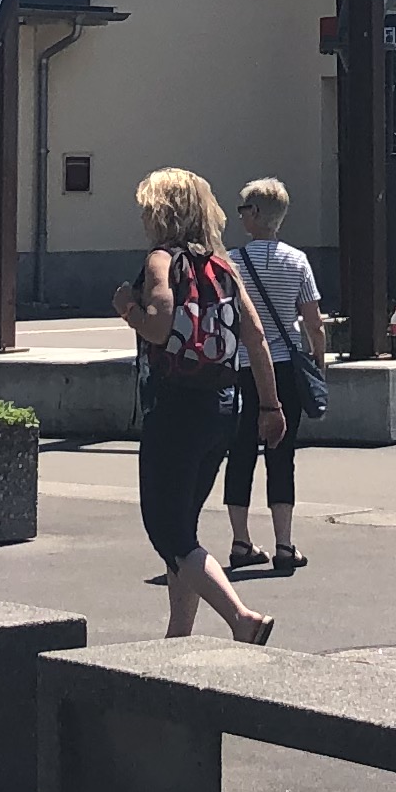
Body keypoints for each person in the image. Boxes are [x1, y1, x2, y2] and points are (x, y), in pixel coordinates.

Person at [117, 167, 279, 642]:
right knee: (183, 526)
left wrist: (128, 307)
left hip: (174, 408)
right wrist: (270, 406)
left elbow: (158, 327)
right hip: (222, 405)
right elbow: (256, 338)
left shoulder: (161, 261)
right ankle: (179, 635)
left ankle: (241, 619)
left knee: (167, 531)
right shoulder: (222, 267)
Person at [219, 176, 324, 576]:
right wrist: (318, 362)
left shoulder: (231, 262)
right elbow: (313, 321)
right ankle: (284, 543)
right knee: (282, 455)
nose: (239, 216)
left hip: (243, 366)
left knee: (240, 452)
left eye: (243, 209)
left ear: (256, 214)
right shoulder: (297, 261)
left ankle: (240, 541)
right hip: (285, 367)